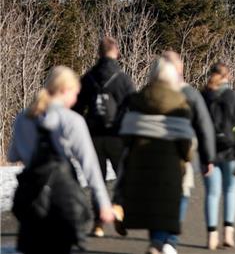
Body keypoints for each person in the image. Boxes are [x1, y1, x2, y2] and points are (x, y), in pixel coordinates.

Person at [9, 66, 114, 254]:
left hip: (31, 196)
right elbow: (90, 166)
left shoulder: (23, 118)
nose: (76, 99)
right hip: (63, 198)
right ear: (65, 90)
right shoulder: (72, 120)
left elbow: (13, 156)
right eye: (75, 93)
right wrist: (103, 204)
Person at [117, 58, 194, 254]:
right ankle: (159, 244)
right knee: (165, 207)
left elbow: (126, 134)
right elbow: (186, 141)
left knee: (152, 206)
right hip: (170, 166)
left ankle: (154, 242)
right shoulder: (179, 102)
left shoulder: (138, 99)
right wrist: (188, 157)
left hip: (140, 162)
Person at [73, 37, 136, 237]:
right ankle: (119, 208)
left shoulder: (88, 78)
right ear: (116, 53)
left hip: (93, 137)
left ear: (99, 53)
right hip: (117, 136)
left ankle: (98, 223)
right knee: (123, 176)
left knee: (96, 180)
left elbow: (76, 108)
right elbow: (132, 106)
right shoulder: (123, 79)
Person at [158, 51, 216, 247]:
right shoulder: (190, 94)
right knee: (181, 194)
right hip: (184, 151)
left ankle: (157, 238)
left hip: (153, 150)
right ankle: (170, 240)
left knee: (159, 195)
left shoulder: (149, 92)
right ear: (180, 69)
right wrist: (208, 158)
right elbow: (204, 125)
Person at [202, 63, 235, 249]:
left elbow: (199, 127)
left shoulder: (204, 96)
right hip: (231, 151)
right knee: (230, 192)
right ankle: (228, 232)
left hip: (209, 151)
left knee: (212, 194)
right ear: (229, 75)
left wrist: (203, 155)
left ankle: (212, 235)